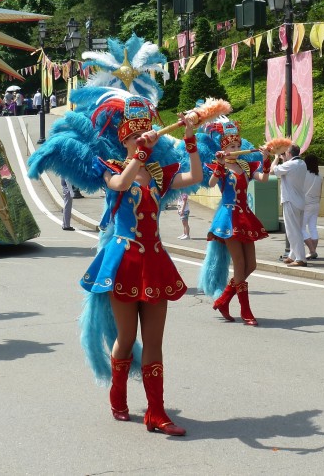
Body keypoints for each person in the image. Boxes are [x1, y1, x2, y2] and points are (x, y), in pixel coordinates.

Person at [80, 94, 201, 435]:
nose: (142, 139)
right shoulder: (113, 169)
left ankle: (157, 412)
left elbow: (194, 176)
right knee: (126, 335)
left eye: (145, 134)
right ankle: (117, 395)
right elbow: (120, 185)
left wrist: (190, 137)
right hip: (123, 261)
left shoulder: (159, 175)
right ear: (125, 141)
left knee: (155, 342)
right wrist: (140, 154)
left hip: (155, 260)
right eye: (134, 137)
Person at [203, 121, 271, 324]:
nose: (235, 149)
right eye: (231, 147)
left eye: (237, 146)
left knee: (251, 264)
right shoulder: (221, 166)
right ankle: (246, 311)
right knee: (240, 264)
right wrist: (220, 165)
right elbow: (211, 183)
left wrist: (266, 160)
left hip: (245, 216)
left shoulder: (245, 165)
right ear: (223, 148)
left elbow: (264, 179)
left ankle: (224, 299)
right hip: (228, 218)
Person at [272, 144, 307, 266]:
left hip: (290, 201)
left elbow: (273, 170)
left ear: (289, 153)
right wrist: (284, 159)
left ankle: (301, 258)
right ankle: (293, 255)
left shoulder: (290, 165)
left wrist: (276, 157)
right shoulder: (302, 164)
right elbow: (287, 169)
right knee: (296, 229)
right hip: (300, 201)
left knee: (292, 231)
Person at [302, 154, 322, 260]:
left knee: (301, 228)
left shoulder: (304, 174)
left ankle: (312, 250)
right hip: (316, 203)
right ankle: (313, 251)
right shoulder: (320, 176)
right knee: (313, 227)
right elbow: (321, 192)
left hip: (306, 203)